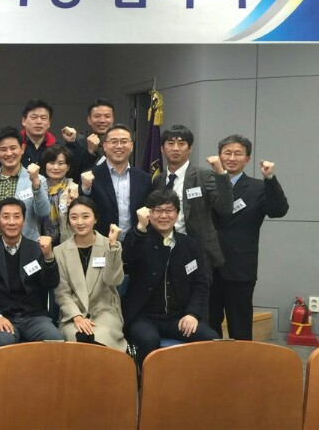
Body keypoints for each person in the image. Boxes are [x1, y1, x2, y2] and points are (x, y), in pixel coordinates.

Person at [122, 190, 218, 365]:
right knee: (148, 340)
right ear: (148, 213)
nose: (164, 216)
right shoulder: (139, 238)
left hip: (178, 317)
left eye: (169, 210)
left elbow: (200, 283)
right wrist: (141, 227)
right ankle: (145, 380)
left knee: (211, 338)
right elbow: (127, 255)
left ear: (178, 213)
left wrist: (192, 314)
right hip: (143, 316)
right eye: (157, 210)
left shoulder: (190, 244)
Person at [211, 135, 289, 340]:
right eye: (227, 153)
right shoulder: (207, 183)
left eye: (238, 154)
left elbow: (278, 210)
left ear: (247, 159)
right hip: (207, 265)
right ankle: (210, 360)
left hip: (239, 266)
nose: (232, 158)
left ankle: (241, 361)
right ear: (219, 156)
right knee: (208, 324)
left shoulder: (258, 187)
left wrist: (270, 178)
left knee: (240, 326)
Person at [153, 125, 233, 285]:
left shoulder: (204, 175)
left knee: (197, 295)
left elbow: (225, 208)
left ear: (190, 149)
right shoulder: (158, 179)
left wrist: (221, 173)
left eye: (182, 143)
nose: (176, 148)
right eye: (170, 143)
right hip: (164, 248)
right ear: (162, 148)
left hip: (197, 249)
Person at [0, 198, 63, 347]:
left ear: (23, 220)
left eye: (17, 216)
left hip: (34, 317)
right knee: (4, 341)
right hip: (3, 316)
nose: (12, 222)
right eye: (6, 217)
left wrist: (48, 256)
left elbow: (50, 283)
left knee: (55, 338)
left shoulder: (37, 249)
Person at [52, 197, 127, 350]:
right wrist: (77, 316)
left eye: (85, 216)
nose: (80, 222)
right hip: (73, 315)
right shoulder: (59, 251)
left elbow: (113, 281)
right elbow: (62, 293)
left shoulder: (110, 245)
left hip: (105, 312)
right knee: (78, 337)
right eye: (74, 217)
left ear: (95, 219)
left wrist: (113, 247)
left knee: (100, 336)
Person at [0, 127, 50, 243]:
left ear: (22, 149)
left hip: (26, 246)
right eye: (3, 149)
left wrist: (36, 184)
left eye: (13, 148)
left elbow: (44, 212)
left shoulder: (38, 179)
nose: (9, 153)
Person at [79, 124, 151, 240]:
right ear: (105, 146)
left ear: (131, 146)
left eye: (124, 141)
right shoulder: (91, 176)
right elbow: (83, 208)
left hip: (136, 241)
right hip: (101, 241)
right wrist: (85, 189)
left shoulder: (144, 178)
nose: (119, 146)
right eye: (113, 141)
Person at [61, 98, 115, 181]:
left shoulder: (119, 144)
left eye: (107, 116)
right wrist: (90, 152)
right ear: (89, 120)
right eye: (97, 116)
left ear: (112, 120)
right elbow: (71, 176)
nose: (102, 120)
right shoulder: (78, 142)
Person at [39, 144, 79, 245]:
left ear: (68, 167)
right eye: (52, 163)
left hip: (67, 241)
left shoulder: (74, 189)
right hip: (39, 240)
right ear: (45, 165)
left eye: (61, 163)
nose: (56, 167)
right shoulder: (37, 188)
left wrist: (71, 205)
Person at [20, 99, 60, 167]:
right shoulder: (14, 146)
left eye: (43, 118)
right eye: (34, 117)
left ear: (49, 123)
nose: (39, 122)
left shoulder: (57, 148)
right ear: (24, 121)